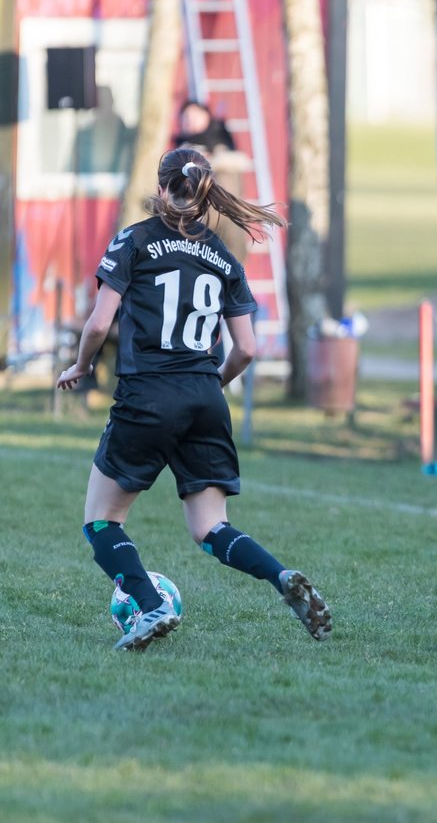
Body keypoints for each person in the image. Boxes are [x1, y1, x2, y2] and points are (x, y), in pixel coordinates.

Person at [55, 148, 333, 652]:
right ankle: (280, 576)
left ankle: (150, 604)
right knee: (210, 527)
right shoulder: (224, 256)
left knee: (101, 520)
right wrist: (210, 384)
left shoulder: (134, 240)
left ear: (162, 189)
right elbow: (246, 348)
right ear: (206, 196)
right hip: (205, 396)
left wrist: (81, 365)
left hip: (148, 395)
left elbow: (99, 323)